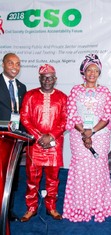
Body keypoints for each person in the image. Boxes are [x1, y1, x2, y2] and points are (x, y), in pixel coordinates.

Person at [62, 54, 111, 223]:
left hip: (100, 136)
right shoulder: (76, 90)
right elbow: (71, 114)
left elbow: (107, 116)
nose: (92, 73)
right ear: (83, 72)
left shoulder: (105, 91)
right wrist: (84, 132)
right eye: (89, 70)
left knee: (98, 170)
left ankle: (97, 207)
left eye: (95, 70)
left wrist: (93, 131)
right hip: (79, 136)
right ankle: (79, 208)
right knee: (81, 170)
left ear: (100, 72)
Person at [20, 64, 67, 222]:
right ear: (39, 78)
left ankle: (51, 207)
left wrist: (51, 136)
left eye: (50, 77)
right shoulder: (30, 96)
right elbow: (24, 117)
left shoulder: (62, 97)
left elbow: (65, 120)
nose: (47, 80)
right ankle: (31, 207)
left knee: (53, 179)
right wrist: (39, 137)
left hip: (55, 145)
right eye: (44, 77)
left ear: (55, 79)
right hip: (35, 144)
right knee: (32, 178)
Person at [0, 53, 27, 221]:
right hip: (0, 137)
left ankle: (7, 211)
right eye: (11, 63)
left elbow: (20, 114)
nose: (14, 67)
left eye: (18, 64)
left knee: (11, 177)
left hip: (14, 139)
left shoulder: (22, 87)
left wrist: (23, 139)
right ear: (3, 64)